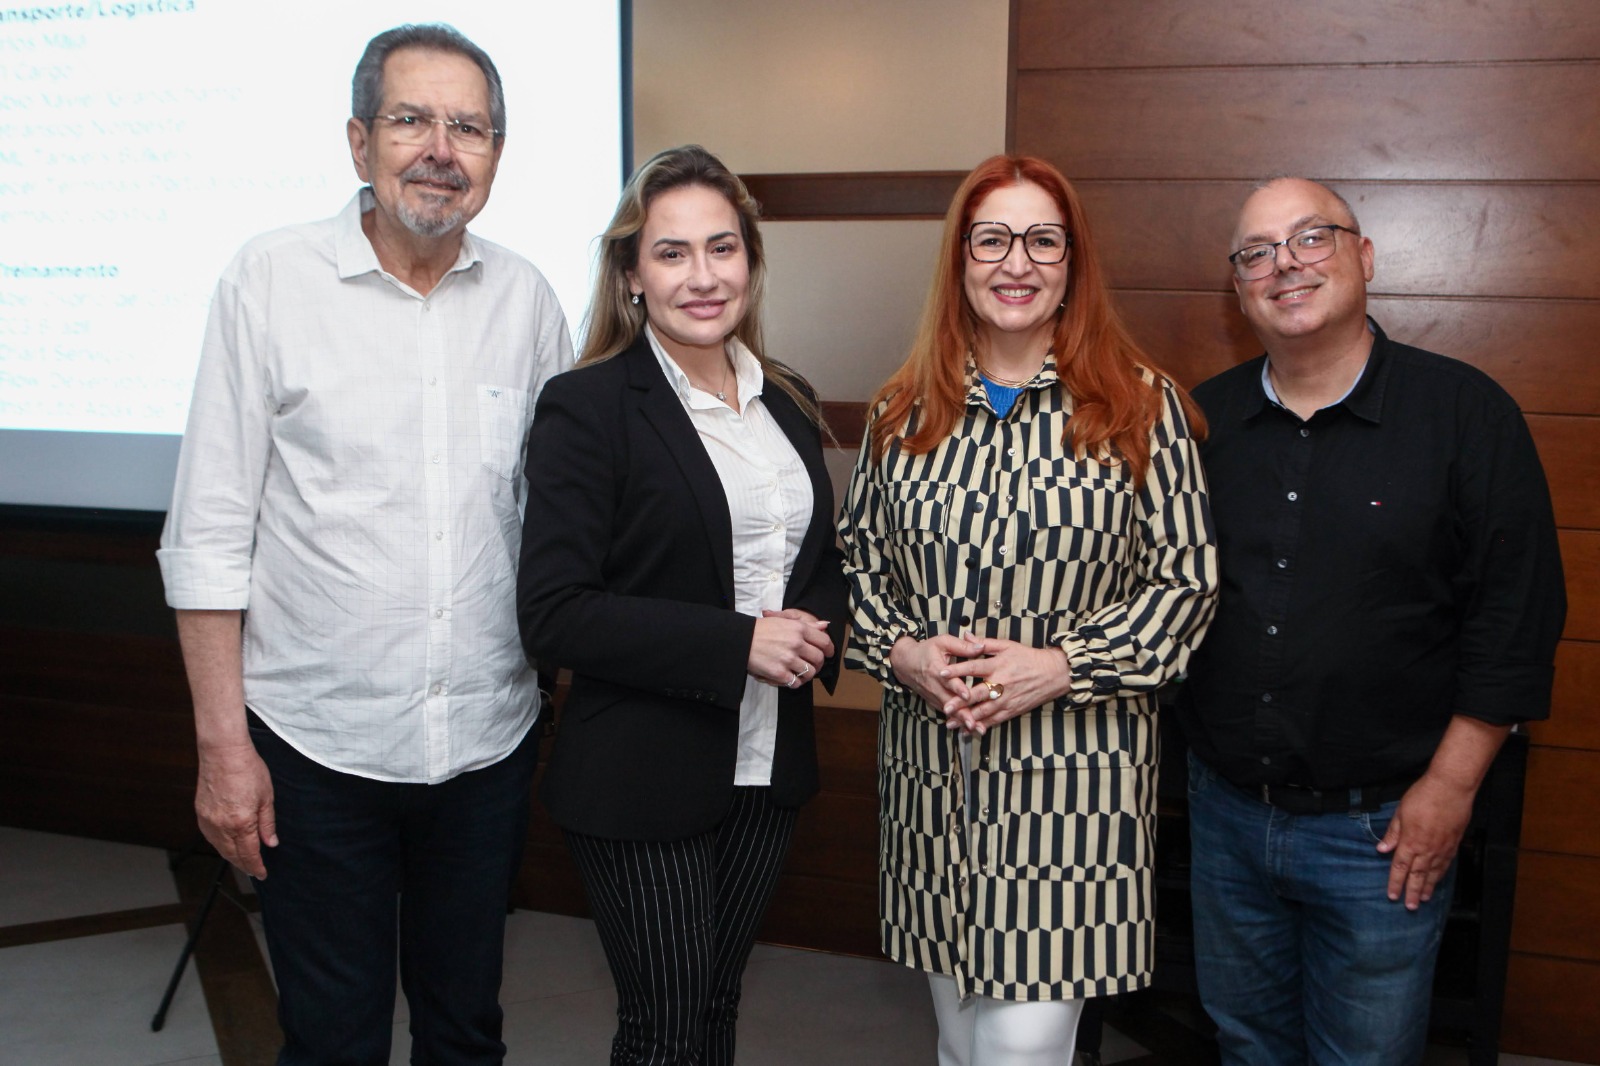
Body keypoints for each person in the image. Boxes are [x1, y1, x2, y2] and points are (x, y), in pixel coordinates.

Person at [156, 24, 573, 1064]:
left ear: (496, 154)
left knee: (465, 1031)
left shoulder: (527, 300)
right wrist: (223, 749)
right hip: (315, 751)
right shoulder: (267, 281)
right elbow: (207, 533)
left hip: (484, 746)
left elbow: (556, 517)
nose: (441, 149)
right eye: (410, 120)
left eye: (468, 127)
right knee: (333, 1040)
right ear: (358, 142)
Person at [838, 154, 1218, 1066]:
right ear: (961, 261)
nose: (1017, 262)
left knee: (1021, 1047)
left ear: (1072, 263)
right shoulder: (903, 411)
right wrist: (904, 655)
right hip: (935, 781)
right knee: (960, 1039)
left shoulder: (1140, 408)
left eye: (1043, 240)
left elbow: (1186, 585)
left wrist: (1062, 665)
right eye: (992, 240)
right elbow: (856, 568)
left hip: (1074, 791)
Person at [1178, 177, 1567, 1066]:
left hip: (1384, 829)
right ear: (1239, 288)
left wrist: (1451, 790)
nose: (1285, 265)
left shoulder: (1466, 415)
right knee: (1247, 1044)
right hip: (1225, 816)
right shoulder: (1203, 421)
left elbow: (1516, 618)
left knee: (1367, 1056)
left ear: (1364, 256)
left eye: (1310, 237)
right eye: (1256, 253)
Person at [516, 144, 847, 1066]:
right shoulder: (588, 406)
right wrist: (738, 643)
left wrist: (819, 626)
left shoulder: (786, 398)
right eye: (672, 253)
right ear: (631, 275)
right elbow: (554, 612)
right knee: (664, 1030)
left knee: (715, 1007)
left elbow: (813, 559)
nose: (703, 276)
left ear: (750, 260)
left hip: (768, 762)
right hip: (640, 772)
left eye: (722, 248)